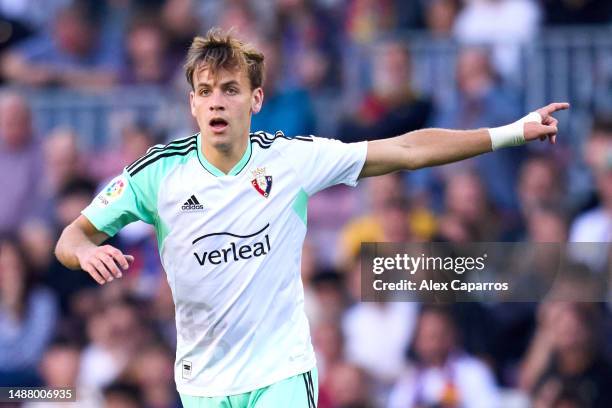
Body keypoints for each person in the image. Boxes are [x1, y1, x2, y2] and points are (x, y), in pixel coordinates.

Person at [54, 28, 569, 408]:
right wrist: (86, 249)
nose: (217, 101)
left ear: (255, 99)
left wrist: (511, 131)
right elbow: (70, 237)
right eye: (206, 91)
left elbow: (408, 149)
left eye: (230, 89)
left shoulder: (290, 159)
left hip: (282, 371)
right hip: (202, 381)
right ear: (191, 103)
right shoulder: (158, 174)